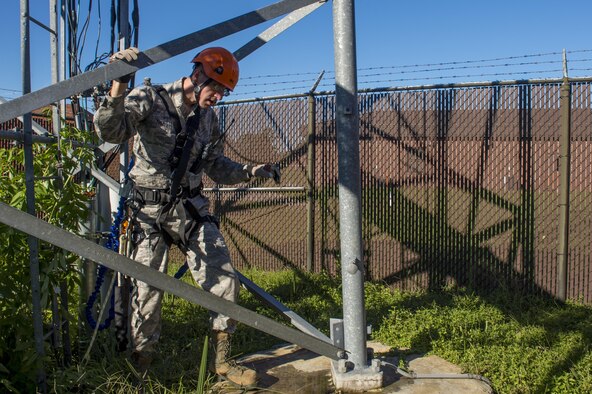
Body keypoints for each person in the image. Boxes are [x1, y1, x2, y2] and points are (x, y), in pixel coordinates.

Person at [93, 46, 279, 387]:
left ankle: (222, 362)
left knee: (224, 280)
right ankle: (141, 370)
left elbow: (215, 166)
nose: (219, 98)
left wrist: (252, 170)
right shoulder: (151, 98)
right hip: (148, 212)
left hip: (190, 210)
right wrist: (118, 85)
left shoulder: (208, 118)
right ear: (198, 76)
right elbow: (111, 132)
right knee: (147, 291)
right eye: (217, 89)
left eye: (224, 92)